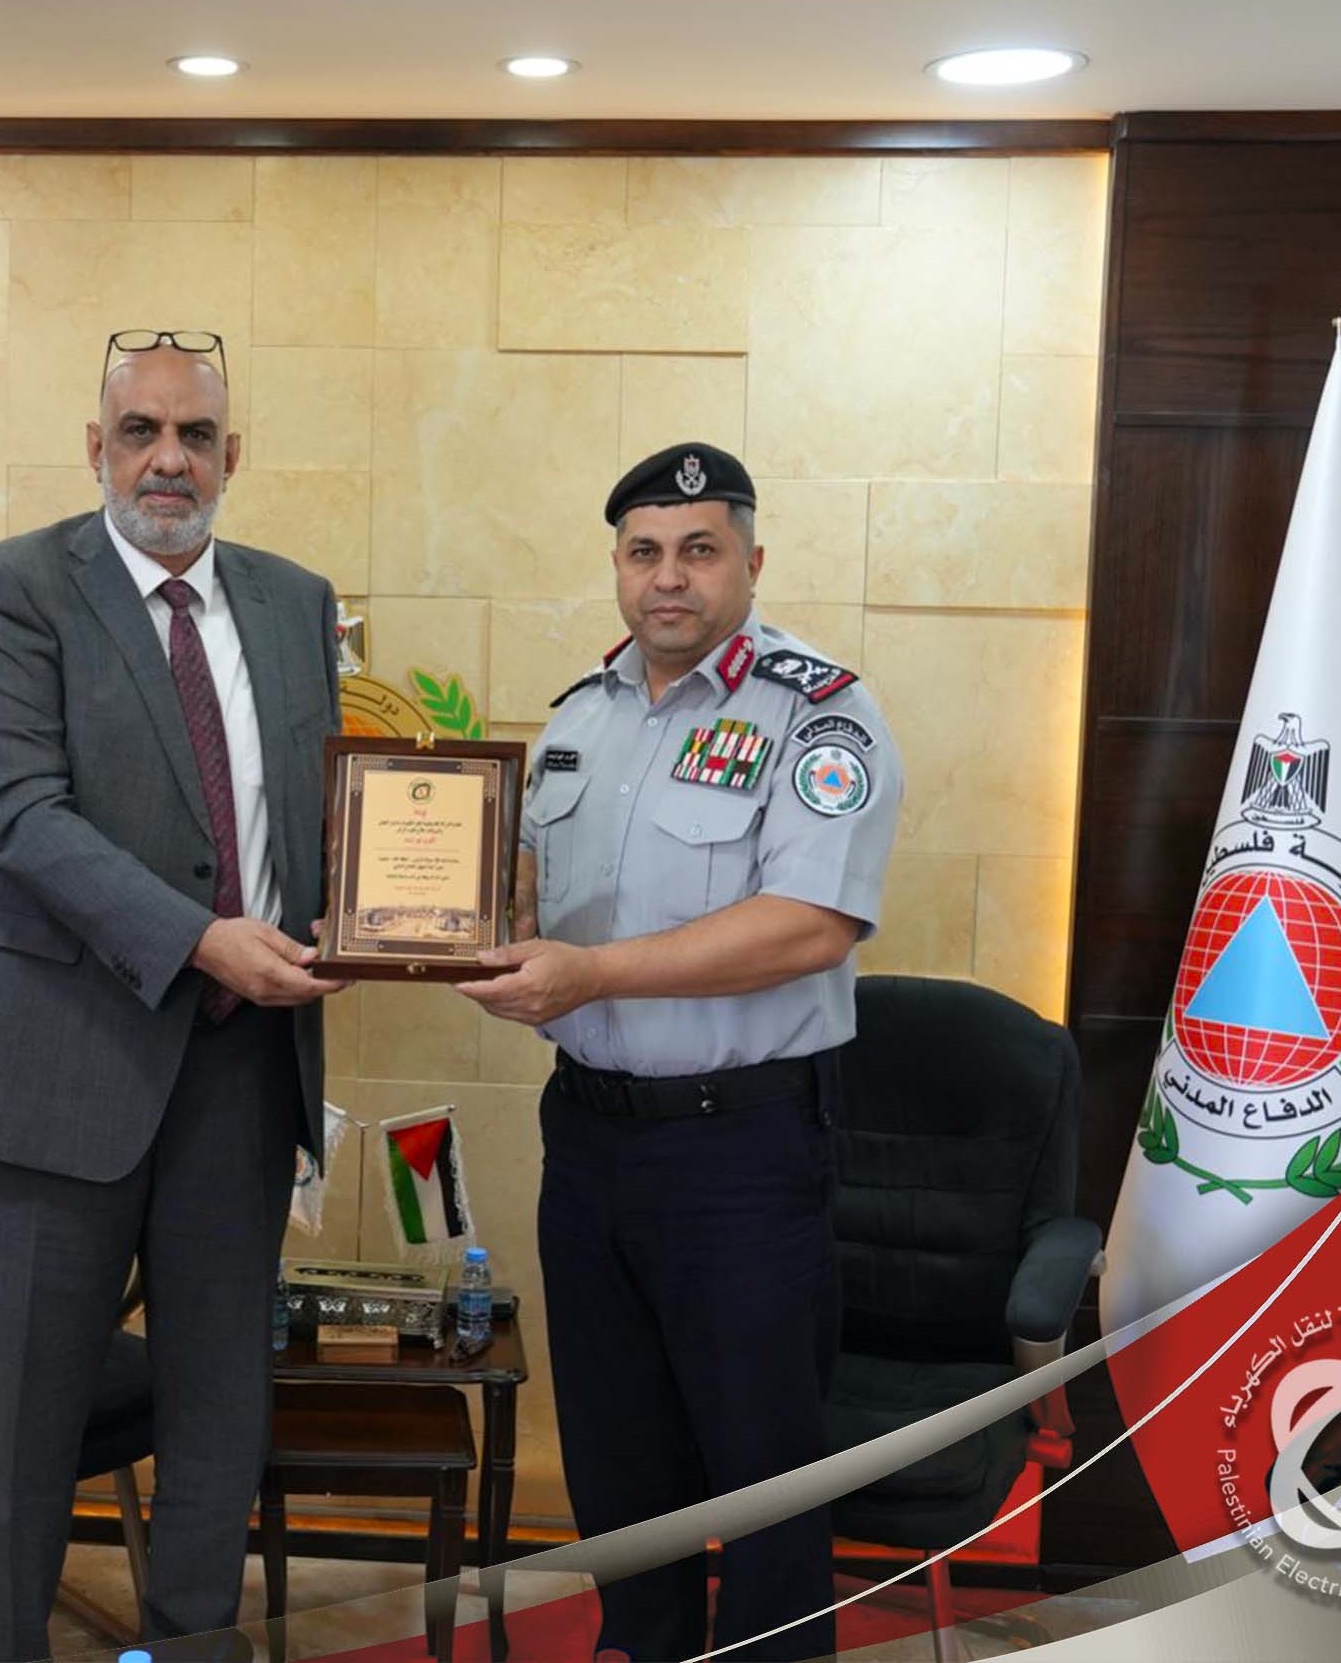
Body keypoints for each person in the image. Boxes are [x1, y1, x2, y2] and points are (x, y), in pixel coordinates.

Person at [0, 331, 343, 1660]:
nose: (169, 458)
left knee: (218, 1421)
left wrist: (400, 912)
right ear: (95, 448)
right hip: (56, 1075)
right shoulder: (9, 590)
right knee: (25, 1437)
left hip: (241, 1074)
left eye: (196, 435)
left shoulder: (294, 602)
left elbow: (317, 813)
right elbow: (19, 815)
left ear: (234, 455)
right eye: (141, 432)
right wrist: (205, 940)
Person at [459, 442, 903, 1662]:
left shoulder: (819, 714)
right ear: (616, 564)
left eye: (699, 550)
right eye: (644, 551)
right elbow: (533, 894)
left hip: (738, 1152)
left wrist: (591, 973)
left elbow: (810, 925)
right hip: (588, 1139)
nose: (669, 577)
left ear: (751, 563)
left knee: (761, 1477)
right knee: (617, 1464)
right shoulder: (579, 718)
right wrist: (439, 917)